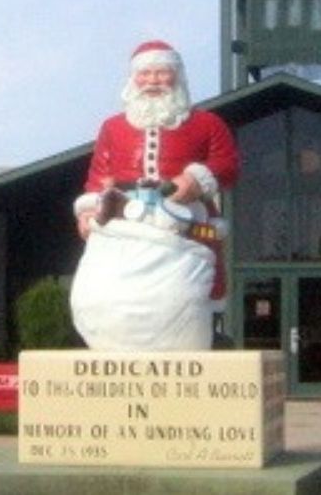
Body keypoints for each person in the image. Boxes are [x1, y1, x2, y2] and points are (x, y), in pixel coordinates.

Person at [70, 40, 239, 351]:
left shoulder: (207, 124)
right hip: (122, 218)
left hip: (181, 222)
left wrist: (195, 179)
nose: (152, 81)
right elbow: (98, 177)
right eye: (144, 74)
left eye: (161, 73)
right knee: (99, 291)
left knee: (182, 295)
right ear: (133, 79)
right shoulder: (112, 127)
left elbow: (227, 166)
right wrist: (89, 209)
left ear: (177, 76)